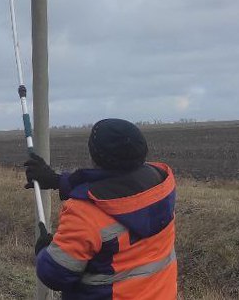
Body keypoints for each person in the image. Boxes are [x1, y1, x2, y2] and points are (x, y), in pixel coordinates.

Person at [24, 118, 176, 300]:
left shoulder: (84, 214)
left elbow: (55, 275)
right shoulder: (160, 185)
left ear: (94, 155)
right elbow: (114, 185)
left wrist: (44, 251)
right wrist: (57, 180)